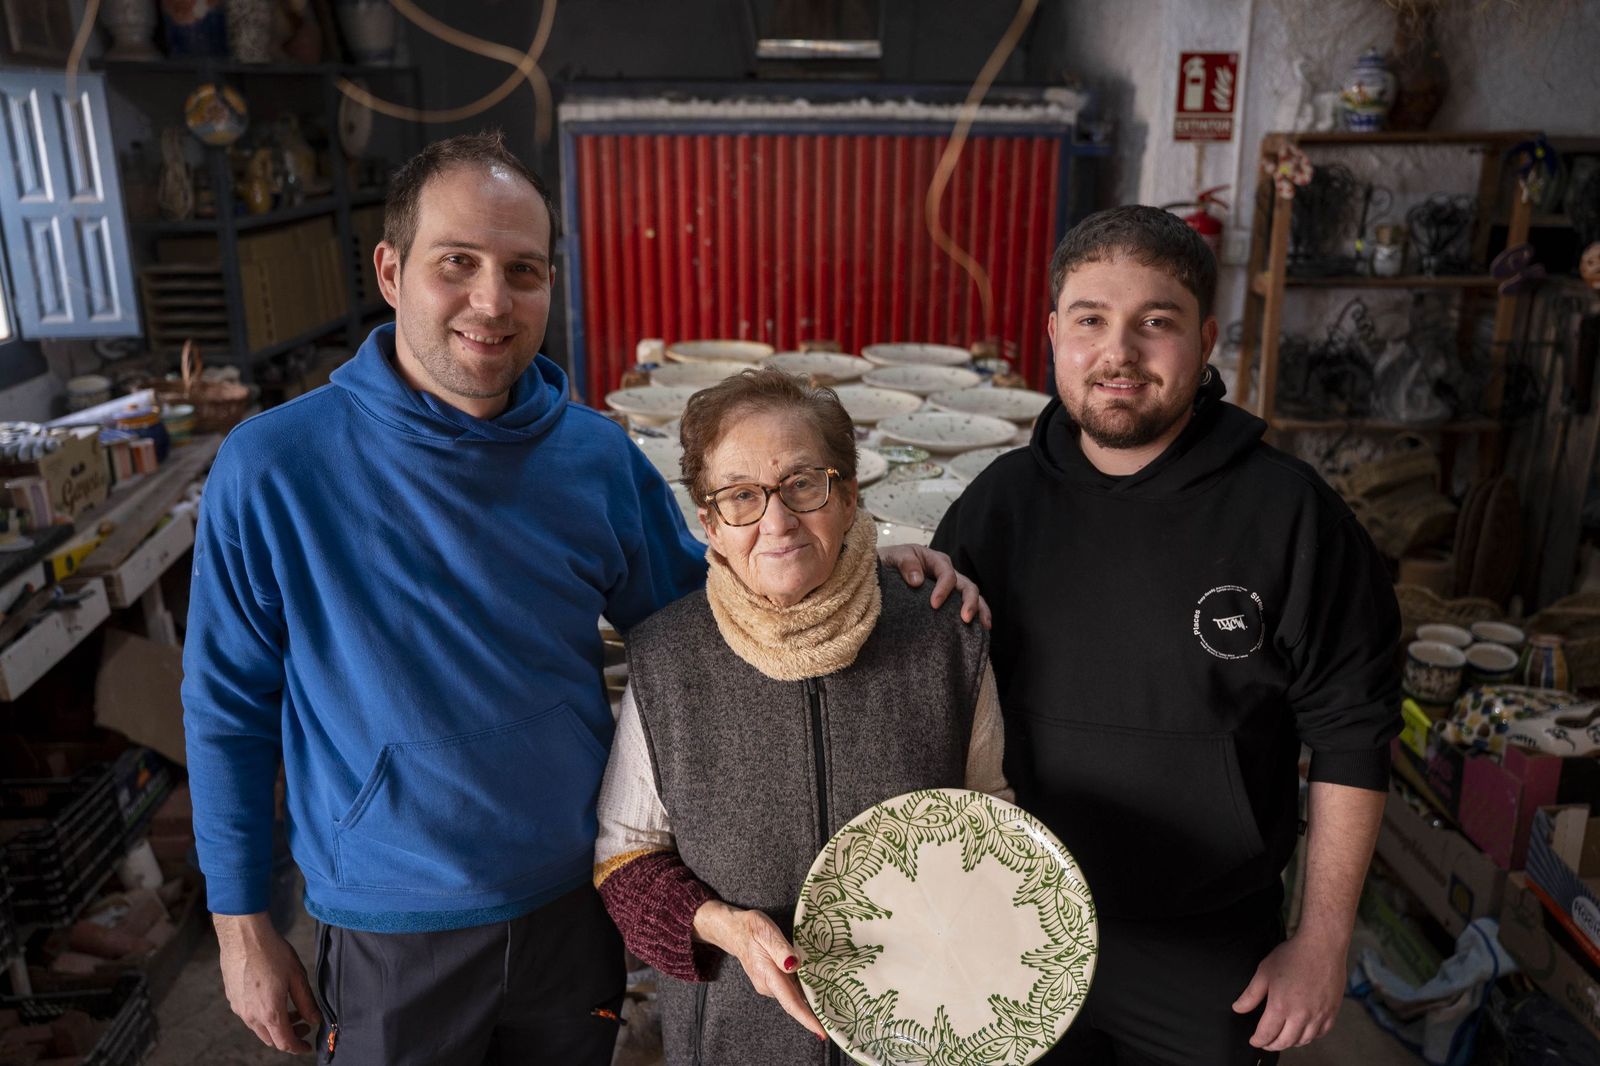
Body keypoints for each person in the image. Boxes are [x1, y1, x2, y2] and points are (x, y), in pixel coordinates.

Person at [181, 131, 983, 1066]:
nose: (492, 301)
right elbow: (227, 709)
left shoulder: (592, 459)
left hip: (574, 902)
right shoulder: (275, 467)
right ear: (391, 271)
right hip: (391, 918)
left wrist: (872, 567)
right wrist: (241, 926)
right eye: (458, 264)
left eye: (523, 270)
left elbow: (728, 621)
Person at [932, 205, 1400, 1065]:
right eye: (1091, 321)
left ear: (1207, 338)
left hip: (1209, 945)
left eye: (1157, 322)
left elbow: (1354, 736)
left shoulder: (1290, 515)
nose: (1120, 353)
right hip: (1015, 920)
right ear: (1052, 334)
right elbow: (928, 684)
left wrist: (1324, 940)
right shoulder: (997, 506)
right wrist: (892, 573)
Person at [592, 368, 1011, 1066]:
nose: (777, 522)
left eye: (804, 485)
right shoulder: (669, 660)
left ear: (847, 496)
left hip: (915, 1030)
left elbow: (992, 823)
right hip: (733, 1037)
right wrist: (723, 927)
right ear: (710, 526)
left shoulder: (944, 640)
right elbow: (624, 862)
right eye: (742, 498)